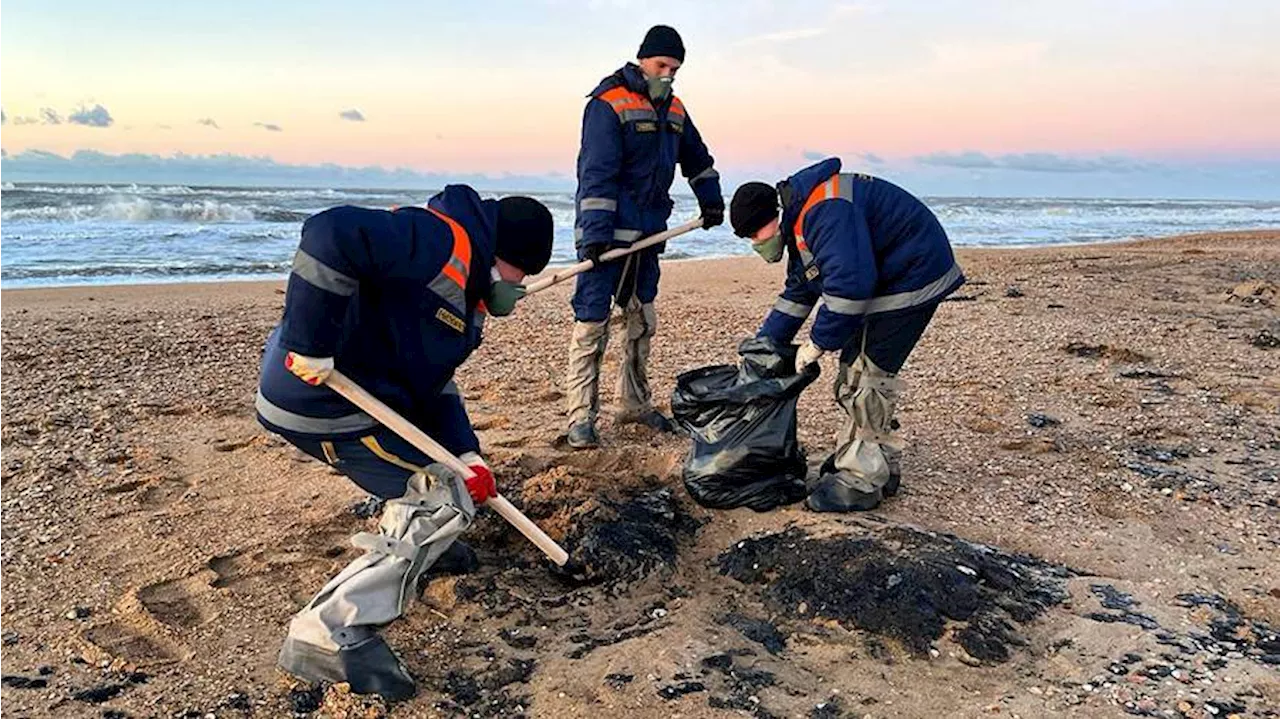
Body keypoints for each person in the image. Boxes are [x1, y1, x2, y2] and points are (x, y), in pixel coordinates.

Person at [254, 185, 554, 700]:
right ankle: (326, 629)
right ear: (503, 254)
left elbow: (434, 384)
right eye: (520, 274)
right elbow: (330, 233)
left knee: (454, 484)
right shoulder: (437, 241)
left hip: (373, 403)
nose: (519, 288)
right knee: (440, 498)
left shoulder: (468, 301)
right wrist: (311, 343)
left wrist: (466, 453)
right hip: (324, 402)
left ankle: (422, 545)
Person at [728, 157, 964, 512]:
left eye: (754, 235)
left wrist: (817, 344)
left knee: (865, 376)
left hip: (912, 276)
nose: (755, 243)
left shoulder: (825, 213)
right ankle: (877, 462)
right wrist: (765, 345)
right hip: (893, 274)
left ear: (772, 218)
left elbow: (850, 289)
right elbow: (800, 291)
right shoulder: (802, 219)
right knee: (858, 369)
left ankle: (861, 480)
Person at [565, 24, 725, 449]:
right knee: (592, 322)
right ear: (643, 60)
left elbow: (698, 158)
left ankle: (633, 404)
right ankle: (580, 417)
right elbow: (596, 173)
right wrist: (596, 236)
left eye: (675, 68)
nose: (668, 74)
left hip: (649, 235)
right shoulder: (608, 103)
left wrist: (711, 200)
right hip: (607, 235)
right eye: (662, 65)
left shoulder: (675, 110)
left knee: (640, 319)